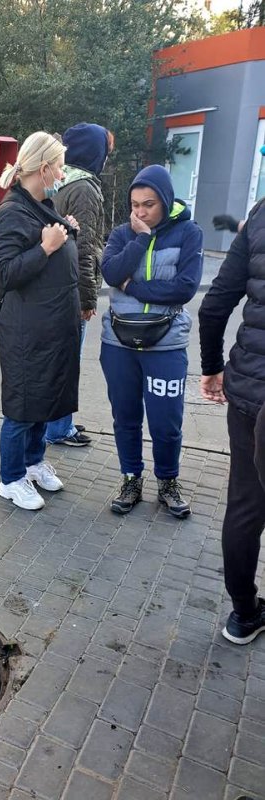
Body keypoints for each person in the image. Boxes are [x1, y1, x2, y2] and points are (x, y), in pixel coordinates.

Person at [100, 164, 203, 518]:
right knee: (125, 416)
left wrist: (134, 287)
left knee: (165, 420)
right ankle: (131, 479)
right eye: (135, 204)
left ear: (166, 201)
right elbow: (111, 273)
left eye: (149, 204)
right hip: (118, 343)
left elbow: (184, 288)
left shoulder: (189, 233)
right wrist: (142, 238)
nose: (140, 212)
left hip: (166, 345)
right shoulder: (121, 234)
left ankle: (167, 482)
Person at [0, 131, 81, 511]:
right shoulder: (12, 211)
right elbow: (4, 275)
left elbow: (55, 240)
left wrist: (66, 229)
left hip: (54, 326)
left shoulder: (43, 204)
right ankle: (10, 478)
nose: (62, 172)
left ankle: (32, 462)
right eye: (59, 166)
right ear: (43, 168)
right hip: (28, 331)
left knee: (45, 398)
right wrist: (46, 248)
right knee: (23, 405)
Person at [199, 197, 265, 644]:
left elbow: (213, 305)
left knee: (245, 506)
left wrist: (211, 366)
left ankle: (243, 614)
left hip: (249, 392)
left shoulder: (262, 214)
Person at [46, 123, 113, 447]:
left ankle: (57, 424)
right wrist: (87, 297)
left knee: (55, 360)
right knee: (66, 362)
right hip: (71, 289)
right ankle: (58, 429)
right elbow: (85, 246)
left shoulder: (59, 179)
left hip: (52, 285)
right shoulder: (84, 187)